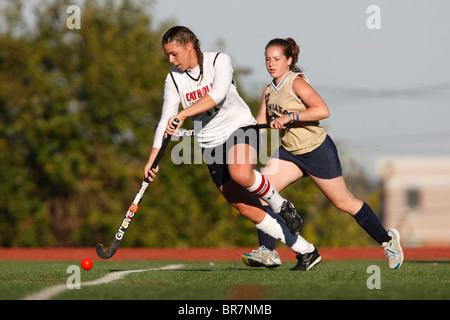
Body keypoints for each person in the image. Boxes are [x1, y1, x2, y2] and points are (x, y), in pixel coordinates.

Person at [145, 26, 320, 270]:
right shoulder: (173, 78)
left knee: (240, 172)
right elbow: (165, 120)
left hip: (240, 129)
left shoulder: (220, 61)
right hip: (210, 143)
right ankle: (306, 250)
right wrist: (153, 159)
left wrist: (183, 113)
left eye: (174, 54)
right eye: (168, 56)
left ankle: (281, 205)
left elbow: (217, 95)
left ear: (189, 47)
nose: (171, 60)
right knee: (246, 208)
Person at [242, 38, 404, 270]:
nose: (271, 63)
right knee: (260, 192)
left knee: (344, 202)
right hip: (289, 153)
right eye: (267, 59)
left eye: (276, 59)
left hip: (317, 151)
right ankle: (268, 251)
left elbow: (322, 110)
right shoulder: (268, 91)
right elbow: (259, 122)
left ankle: (388, 241)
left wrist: (290, 117)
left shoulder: (295, 82)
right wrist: (236, 129)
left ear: (289, 60)